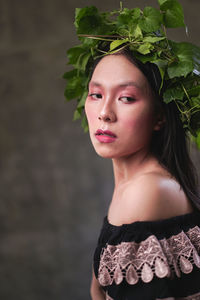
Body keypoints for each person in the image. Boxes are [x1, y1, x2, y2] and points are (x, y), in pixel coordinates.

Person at [64, 1, 200, 299]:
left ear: (160, 116)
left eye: (126, 98)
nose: (104, 113)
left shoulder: (148, 190)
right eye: (96, 94)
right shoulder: (132, 183)